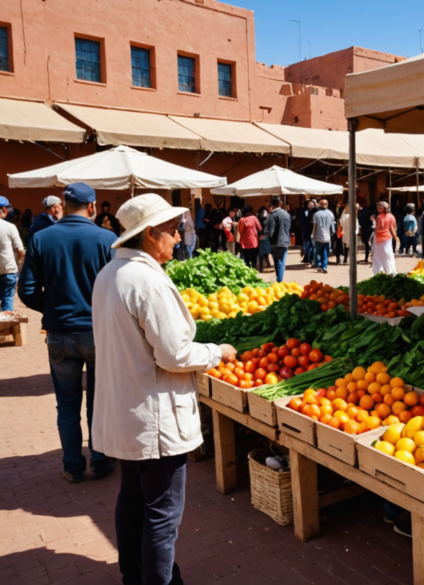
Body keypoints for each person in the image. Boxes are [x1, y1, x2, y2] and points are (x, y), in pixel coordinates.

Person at [91, 193, 236, 585]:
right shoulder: (147, 282)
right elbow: (173, 354)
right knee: (162, 513)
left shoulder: (109, 275)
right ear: (150, 234)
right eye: (173, 231)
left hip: (127, 409)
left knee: (132, 499)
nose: (178, 238)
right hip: (153, 415)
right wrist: (215, 351)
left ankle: (133, 573)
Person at [18, 183, 117, 483]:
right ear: (92, 207)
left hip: (59, 333)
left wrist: (52, 309)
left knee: (67, 403)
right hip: (98, 332)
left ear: (63, 204)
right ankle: (100, 459)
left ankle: (72, 465)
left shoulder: (41, 238)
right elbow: (118, 287)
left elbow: (27, 291)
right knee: (99, 400)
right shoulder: (107, 239)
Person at [0, 197, 25, 311]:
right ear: (4, 210)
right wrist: (19, 268)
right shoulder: (10, 227)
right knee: (8, 299)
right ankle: (6, 327)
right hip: (9, 271)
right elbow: (21, 251)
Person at [263, 197, 291, 282]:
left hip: (276, 241)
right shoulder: (286, 214)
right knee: (282, 261)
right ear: (280, 203)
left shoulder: (272, 215)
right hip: (285, 240)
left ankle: (279, 280)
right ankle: (280, 279)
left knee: (278, 261)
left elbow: (270, 230)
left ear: (271, 205)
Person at [372, 201, 398, 275]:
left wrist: (373, 222)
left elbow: (378, 228)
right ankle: (391, 272)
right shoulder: (391, 216)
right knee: (388, 256)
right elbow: (394, 227)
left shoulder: (379, 217)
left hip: (380, 238)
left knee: (378, 258)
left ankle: (379, 273)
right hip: (388, 238)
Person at [312, 199, 335, 273]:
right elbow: (332, 227)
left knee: (319, 252)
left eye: (324, 204)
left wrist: (312, 234)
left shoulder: (316, 214)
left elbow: (314, 226)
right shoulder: (331, 214)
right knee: (325, 252)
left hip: (318, 236)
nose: (324, 205)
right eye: (323, 204)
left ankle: (319, 265)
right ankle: (324, 266)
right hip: (327, 237)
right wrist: (333, 235)